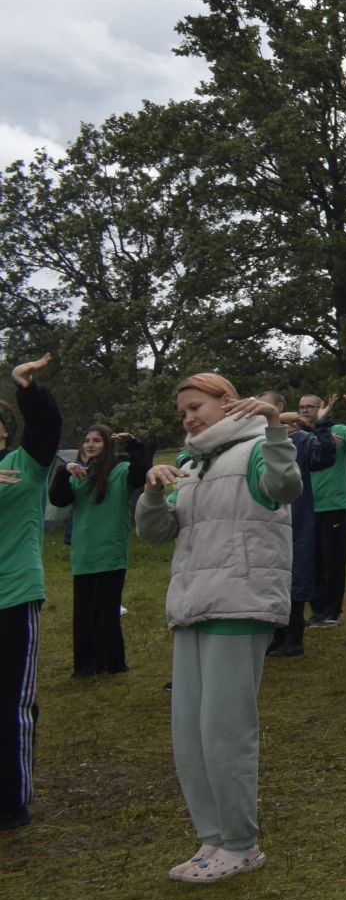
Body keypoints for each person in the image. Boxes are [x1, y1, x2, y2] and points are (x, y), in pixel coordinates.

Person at [135, 373, 302, 880]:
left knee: (224, 731)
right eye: (182, 410)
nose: (188, 417)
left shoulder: (256, 450)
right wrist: (150, 493)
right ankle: (212, 840)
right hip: (190, 606)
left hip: (240, 601)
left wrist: (274, 428)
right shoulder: (191, 464)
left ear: (227, 402)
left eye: (196, 405)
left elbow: (285, 486)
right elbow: (155, 533)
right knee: (189, 733)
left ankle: (241, 843)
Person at [0, 355, 59, 830]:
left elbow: (45, 427)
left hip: (14, 595)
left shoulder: (26, 465)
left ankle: (11, 800)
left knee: (12, 701)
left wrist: (28, 390)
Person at [48, 423, 149, 676]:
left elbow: (142, 473)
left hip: (109, 554)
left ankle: (112, 663)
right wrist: (64, 471)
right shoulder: (80, 475)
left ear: (108, 445)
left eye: (97, 441)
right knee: (83, 615)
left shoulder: (121, 471)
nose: (89, 445)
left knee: (105, 613)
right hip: (83, 554)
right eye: (87, 441)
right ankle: (86, 665)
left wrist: (134, 444)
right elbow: (58, 499)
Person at [265, 392, 335, 659]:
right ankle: (276, 636)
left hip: (297, 519)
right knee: (272, 578)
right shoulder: (259, 441)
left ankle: (293, 638)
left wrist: (323, 425)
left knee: (296, 575)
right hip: (267, 520)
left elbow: (325, 457)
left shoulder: (300, 439)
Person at [297, 393, 346, 628]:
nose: (305, 410)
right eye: (301, 407)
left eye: (310, 406)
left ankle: (332, 612)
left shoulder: (337, 430)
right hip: (305, 506)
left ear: (323, 408)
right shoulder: (298, 435)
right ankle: (317, 612)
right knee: (312, 563)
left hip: (333, 505)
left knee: (333, 562)